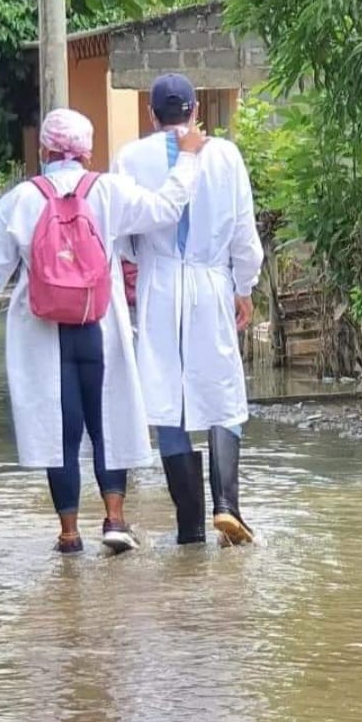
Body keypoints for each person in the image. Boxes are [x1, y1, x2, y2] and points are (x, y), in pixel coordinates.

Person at [0, 108, 207, 555]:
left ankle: (68, 532)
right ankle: (116, 520)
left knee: (59, 431)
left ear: (44, 149)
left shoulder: (21, 199)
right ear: (86, 150)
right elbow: (166, 207)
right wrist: (188, 157)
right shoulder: (109, 191)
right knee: (109, 423)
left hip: (43, 331)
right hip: (99, 324)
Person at [113, 74, 264, 547]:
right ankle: (227, 506)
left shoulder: (130, 158)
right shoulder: (225, 155)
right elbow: (244, 233)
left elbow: (122, 235)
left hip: (160, 288)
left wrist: (151, 260)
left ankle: (189, 529)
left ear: (152, 114)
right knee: (222, 389)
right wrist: (244, 286)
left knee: (167, 400)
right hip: (211, 284)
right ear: (196, 110)